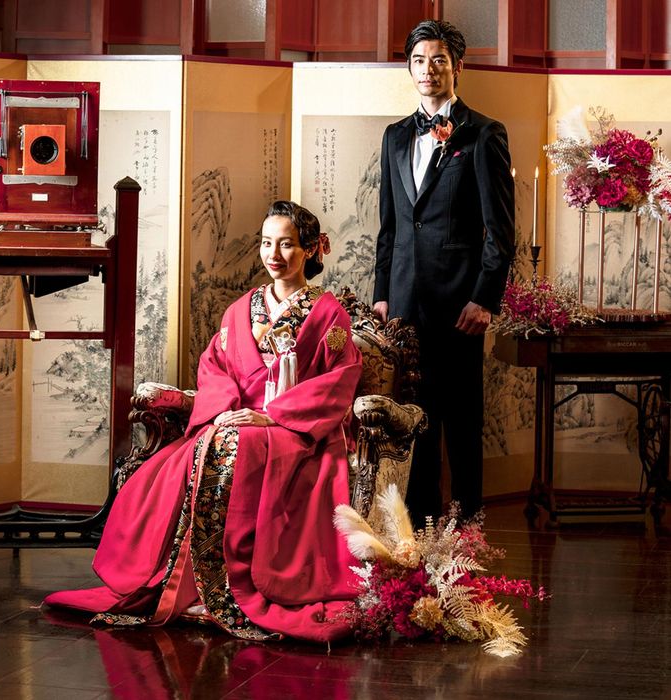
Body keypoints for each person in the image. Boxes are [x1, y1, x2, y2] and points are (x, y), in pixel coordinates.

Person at [45, 201, 363, 643]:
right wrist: (226, 409)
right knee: (192, 455)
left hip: (291, 428)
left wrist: (270, 416)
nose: (274, 255)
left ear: (310, 249)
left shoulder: (329, 314)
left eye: (287, 245)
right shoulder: (240, 310)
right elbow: (215, 367)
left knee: (236, 446)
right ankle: (188, 582)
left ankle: (228, 584)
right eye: (266, 243)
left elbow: (338, 380)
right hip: (235, 417)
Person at [372, 20, 515, 521]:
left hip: (460, 305)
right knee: (415, 417)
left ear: (458, 66)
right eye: (418, 60)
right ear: (409, 67)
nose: (427, 69)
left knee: (462, 419)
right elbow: (390, 226)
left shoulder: (483, 134)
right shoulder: (394, 137)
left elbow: (501, 230)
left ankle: (469, 525)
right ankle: (422, 527)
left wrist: (484, 299)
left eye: (438, 59)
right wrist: (382, 295)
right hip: (404, 305)